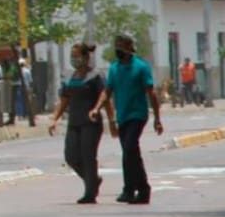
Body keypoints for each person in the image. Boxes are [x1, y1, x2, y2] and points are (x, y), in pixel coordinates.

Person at [103, 33, 163, 205]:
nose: (118, 50)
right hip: (122, 115)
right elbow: (107, 91)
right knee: (129, 152)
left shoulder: (141, 67)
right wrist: (100, 110)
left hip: (137, 114)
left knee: (130, 147)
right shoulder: (114, 68)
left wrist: (157, 118)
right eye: (116, 46)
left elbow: (151, 93)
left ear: (130, 48)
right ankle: (130, 189)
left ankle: (143, 189)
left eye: (121, 46)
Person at [47, 42, 107, 204]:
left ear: (86, 57)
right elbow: (64, 100)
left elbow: (104, 95)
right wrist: (54, 118)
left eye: (77, 56)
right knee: (71, 156)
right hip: (74, 122)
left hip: (91, 123)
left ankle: (90, 193)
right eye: (72, 56)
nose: (74, 59)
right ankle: (93, 180)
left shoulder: (96, 76)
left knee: (88, 156)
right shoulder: (70, 77)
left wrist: (96, 109)